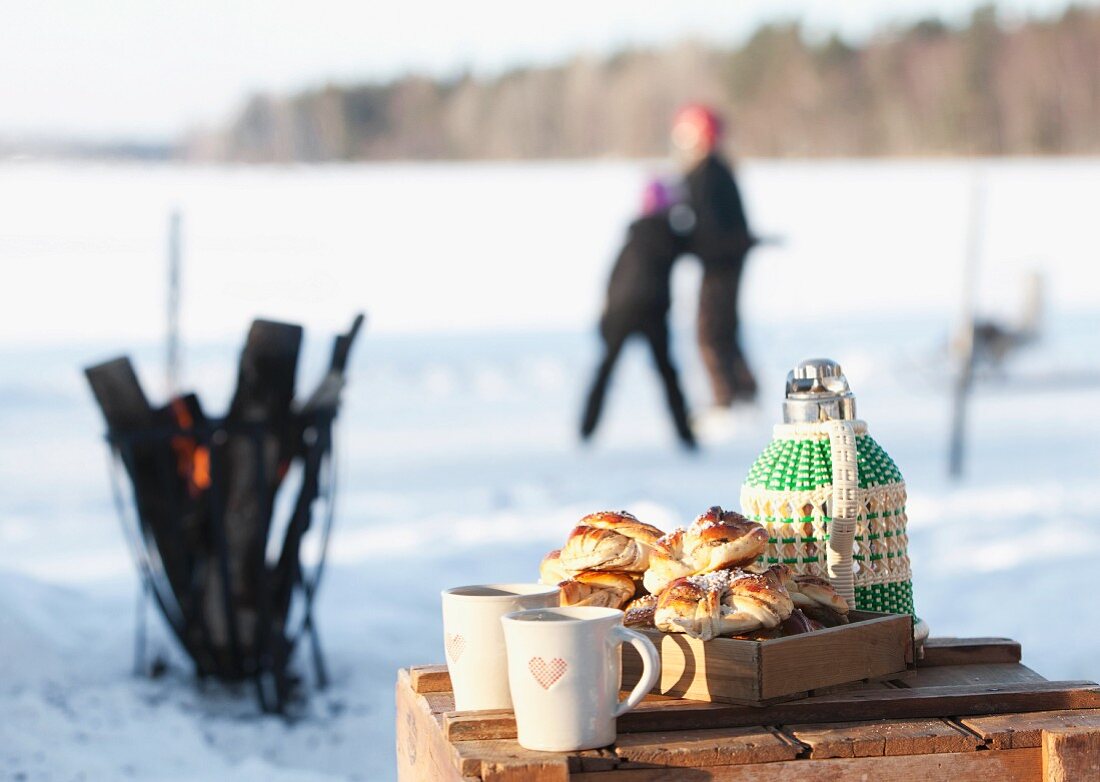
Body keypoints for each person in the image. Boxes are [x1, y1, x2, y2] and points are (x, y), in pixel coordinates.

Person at [580, 180, 697, 449]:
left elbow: (613, 280)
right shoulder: (666, 234)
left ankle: (586, 430)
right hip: (650, 311)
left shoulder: (634, 235)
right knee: (667, 374)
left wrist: (607, 319)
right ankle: (686, 436)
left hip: (622, 312)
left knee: (606, 371)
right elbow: (696, 242)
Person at [673, 104, 759, 407]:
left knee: (711, 333)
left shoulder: (708, 174)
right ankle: (745, 394)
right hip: (724, 261)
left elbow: (709, 226)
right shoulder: (715, 170)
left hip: (721, 264)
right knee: (724, 329)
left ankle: (729, 400)